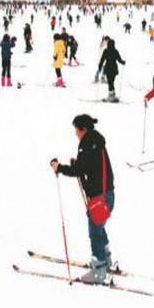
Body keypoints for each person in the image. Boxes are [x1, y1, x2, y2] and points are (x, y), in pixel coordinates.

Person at [51, 114, 115, 284]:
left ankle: (99, 270)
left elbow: (79, 170)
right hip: (108, 194)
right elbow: (87, 165)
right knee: (99, 227)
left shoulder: (86, 143)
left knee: (94, 232)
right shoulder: (96, 141)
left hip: (99, 197)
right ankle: (106, 258)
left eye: (77, 130)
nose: (75, 134)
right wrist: (77, 163)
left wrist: (60, 168)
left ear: (83, 130)